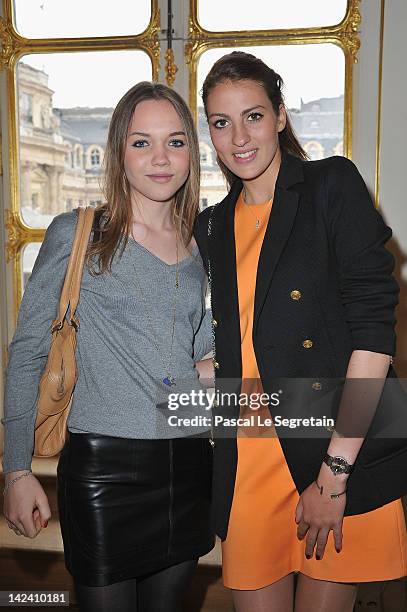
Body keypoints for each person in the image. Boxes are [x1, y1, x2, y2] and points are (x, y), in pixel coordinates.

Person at [194, 51, 407, 612]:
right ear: (209, 133)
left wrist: (334, 475)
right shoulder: (212, 224)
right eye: (221, 122)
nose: (239, 136)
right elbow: (244, 338)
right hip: (249, 459)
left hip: (334, 447)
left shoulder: (329, 185)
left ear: (281, 116)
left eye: (254, 116)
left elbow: (373, 336)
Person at [2, 82, 215, 612]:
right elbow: (28, 352)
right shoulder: (80, 235)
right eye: (142, 143)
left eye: (176, 142)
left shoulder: (200, 243)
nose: (161, 159)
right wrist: (16, 470)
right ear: (119, 152)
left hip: (188, 464)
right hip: (104, 473)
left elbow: (198, 345)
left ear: (193, 149)